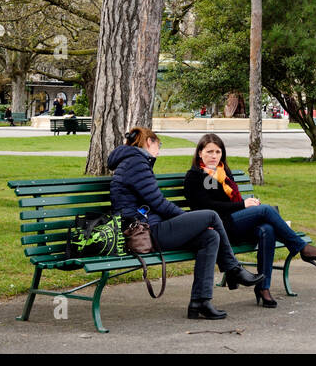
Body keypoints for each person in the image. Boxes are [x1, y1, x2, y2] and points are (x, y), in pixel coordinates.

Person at [108, 126, 261, 320]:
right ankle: (233, 269)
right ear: (149, 142)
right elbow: (159, 204)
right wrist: (184, 218)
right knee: (210, 216)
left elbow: (153, 203)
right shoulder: (136, 163)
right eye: (158, 144)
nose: (159, 149)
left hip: (148, 227)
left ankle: (200, 302)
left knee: (210, 236)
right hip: (146, 232)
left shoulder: (131, 162)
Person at [182, 133, 316, 308]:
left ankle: (263, 287)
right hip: (218, 227)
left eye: (218, 151)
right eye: (209, 152)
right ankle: (301, 247)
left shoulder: (223, 173)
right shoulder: (195, 176)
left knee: (268, 229)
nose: (214, 156)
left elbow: (232, 202)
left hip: (233, 222)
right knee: (266, 210)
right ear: (200, 153)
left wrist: (246, 206)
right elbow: (207, 207)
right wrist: (244, 206)